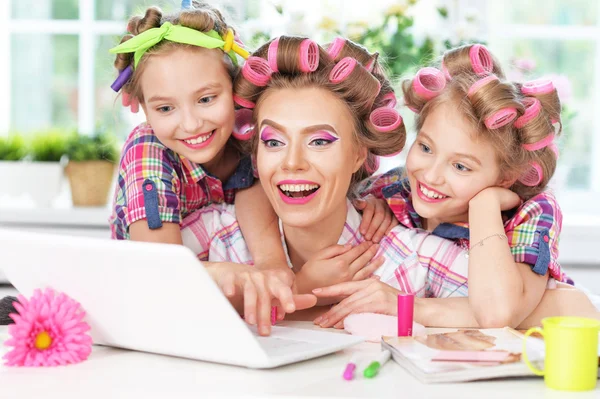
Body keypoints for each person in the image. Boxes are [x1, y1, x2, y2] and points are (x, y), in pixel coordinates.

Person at [314, 43, 600, 329]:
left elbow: (498, 312)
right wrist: (377, 206)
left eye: (460, 166)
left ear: (506, 177)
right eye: (425, 147)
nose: (431, 176)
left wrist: (484, 207)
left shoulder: (533, 213)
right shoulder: (395, 188)